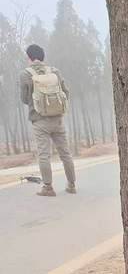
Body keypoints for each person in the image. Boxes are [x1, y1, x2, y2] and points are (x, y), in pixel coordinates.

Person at [20, 44, 76, 197]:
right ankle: (71, 185)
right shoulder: (54, 71)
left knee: (44, 155)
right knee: (65, 153)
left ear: (30, 58)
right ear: (43, 57)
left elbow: (24, 99)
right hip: (57, 118)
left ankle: (48, 187)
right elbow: (66, 92)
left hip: (39, 120)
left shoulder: (25, 74)